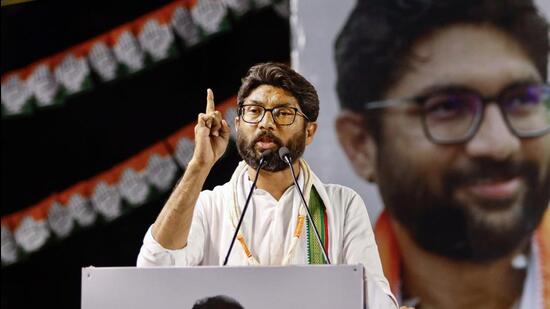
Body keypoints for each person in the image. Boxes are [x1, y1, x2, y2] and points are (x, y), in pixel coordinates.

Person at [334, 0, 549, 308]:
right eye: (448, 107)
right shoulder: (331, 296)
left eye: (521, 100)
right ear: (360, 143)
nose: (500, 144)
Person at [137, 63, 399, 308]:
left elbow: (372, 296)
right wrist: (199, 166)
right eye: (254, 111)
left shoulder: (341, 205)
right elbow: (153, 269)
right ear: (238, 124)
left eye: (283, 113)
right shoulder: (209, 207)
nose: (265, 122)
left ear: (309, 132)